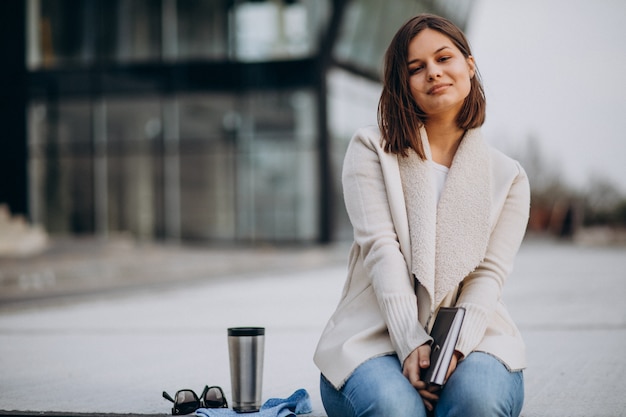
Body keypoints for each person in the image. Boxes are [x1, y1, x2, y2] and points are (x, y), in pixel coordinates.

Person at [313, 13, 530, 417]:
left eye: (443, 58)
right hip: (373, 338)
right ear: (404, 85)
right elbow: (382, 250)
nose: (433, 72)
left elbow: (488, 276)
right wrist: (411, 341)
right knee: (398, 410)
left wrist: (454, 349)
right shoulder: (371, 150)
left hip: (474, 339)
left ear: (469, 65)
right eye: (416, 68)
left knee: (477, 402)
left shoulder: (509, 177)